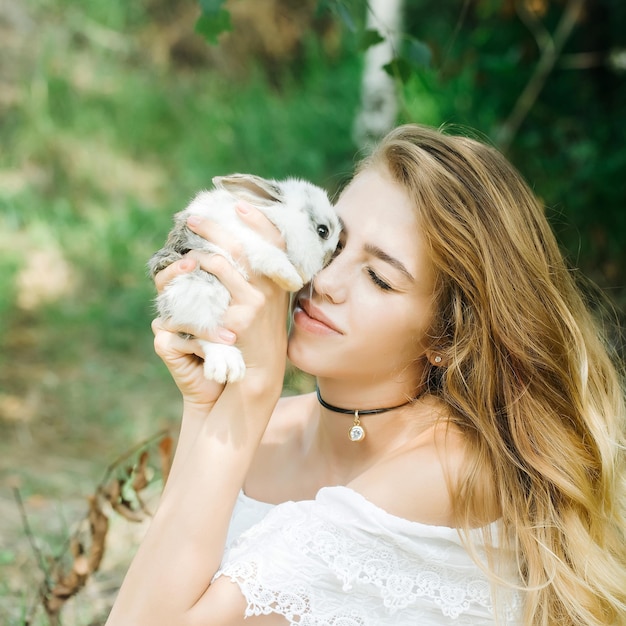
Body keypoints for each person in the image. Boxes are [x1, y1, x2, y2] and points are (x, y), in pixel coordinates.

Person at [105, 124, 626, 625]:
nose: (325, 279)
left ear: (446, 338)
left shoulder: (444, 473)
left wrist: (248, 398)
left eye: (379, 277)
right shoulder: (274, 425)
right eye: (332, 242)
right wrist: (208, 408)